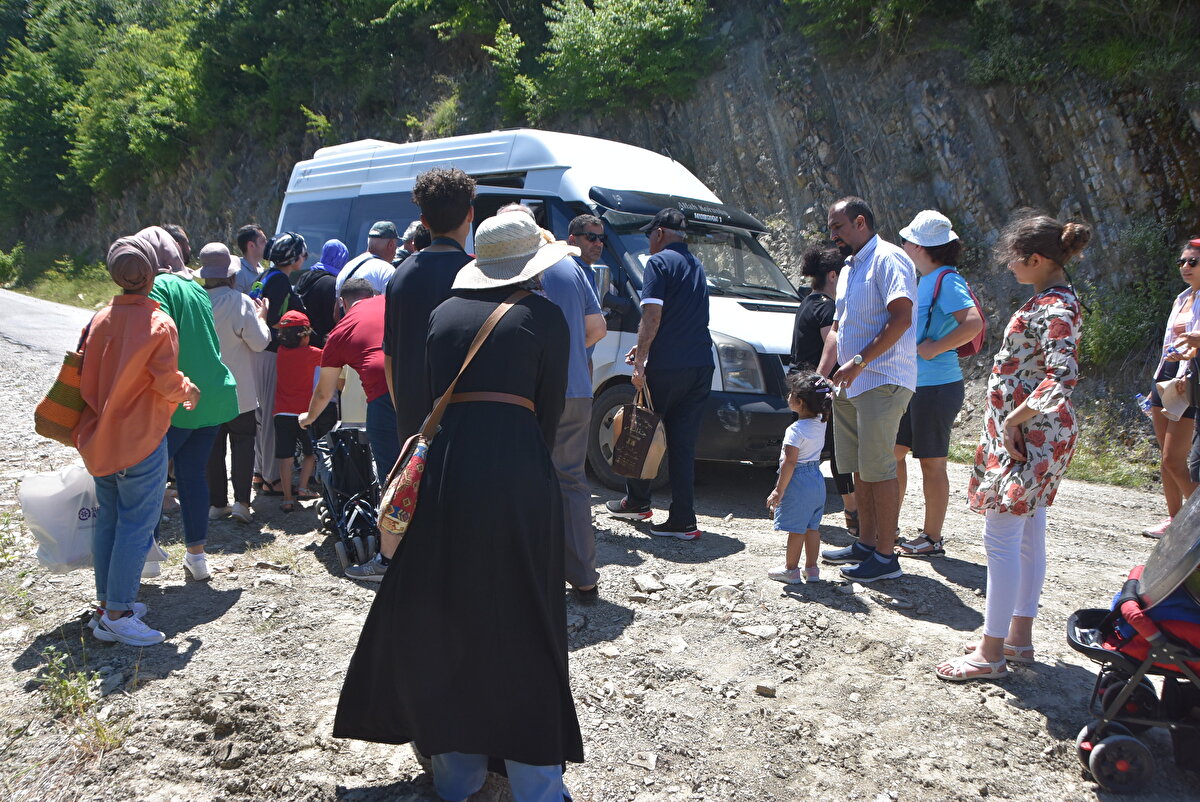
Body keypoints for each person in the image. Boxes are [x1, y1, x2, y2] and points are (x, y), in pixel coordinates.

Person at [334, 210, 581, 801]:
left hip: (445, 477)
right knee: (525, 621)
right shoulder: (544, 318)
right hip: (519, 479)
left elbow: (420, 402)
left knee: (448, 615)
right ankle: (535, 782)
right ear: (530, 269)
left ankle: (459, 772)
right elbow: (546, 418)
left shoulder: (443, 315)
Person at [936, 212, 1090, 681]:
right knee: (1026, 536)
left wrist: (1016, 419)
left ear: (1038, 259)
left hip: (1030, 439)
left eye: (1015, 260)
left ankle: (991, 652)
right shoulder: (1053, 300)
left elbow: (1062, 375)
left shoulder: (1054, 308)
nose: (1010, 267)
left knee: (1002, 539)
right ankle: (1016, 638)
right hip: (1034, 436)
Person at [76, 237, 199, 645]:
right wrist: (189, 391)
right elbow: (167, 383)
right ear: (151, 275)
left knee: (109, 520)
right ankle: (119, 612)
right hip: (141, 439)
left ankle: (106, 605)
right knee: (135, 524)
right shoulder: (159, 323)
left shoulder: (99, 318)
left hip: (100, 439)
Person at [817, 197, 916, 583]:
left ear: (860, 222)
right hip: (850, 383)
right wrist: (822, 376)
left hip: (881, 379)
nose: (833, 235)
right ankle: (866, 545)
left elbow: (902, 317)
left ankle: (886, 558)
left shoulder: (889, 259)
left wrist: (859, 362)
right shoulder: (848, 269)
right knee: (859, 467)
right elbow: (838, 330)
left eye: (838, 227)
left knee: (878, 468)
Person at [605, 208, 713, 540]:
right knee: (682, 443)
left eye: (650, 234)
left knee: (640, 428)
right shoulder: (696, 266)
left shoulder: (659, 263)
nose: (649, 240)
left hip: (668, 366)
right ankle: (684, 519)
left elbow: (652, 314)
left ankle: (638, 501)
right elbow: (679, 318)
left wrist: (640, 364)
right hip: (700, 364)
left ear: (661, 233)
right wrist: (644, 348)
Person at [140, 226, 239, 583]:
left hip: (179, 400)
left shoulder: (159, 288)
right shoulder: (196, 288)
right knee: (192, 475)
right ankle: (197, 558)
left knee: (149, 480)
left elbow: (157, 337)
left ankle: (148, 558)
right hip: (211, 397)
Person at [893, 211, 984, 557]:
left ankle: (932, 539)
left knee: (931, 462)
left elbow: (972, 322)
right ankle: (892, 524)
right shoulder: (929, 279)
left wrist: (933, 348)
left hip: (937, 386)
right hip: (916, 384)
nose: (902, 245)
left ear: (918, 247)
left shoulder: (947, 280)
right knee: (894, 453)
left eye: (906, 241)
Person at [384, 168, 476, 438]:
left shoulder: (399, 276)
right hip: (463, 423)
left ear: (424, 221)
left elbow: (389, 358)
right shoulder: (476, 275)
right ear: (470, 214)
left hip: (412, 428)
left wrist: (405, 411)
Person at [540, 236, 606, 600]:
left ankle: (533, 573)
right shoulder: (572, 267)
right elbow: (597, 329)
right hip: (577, 389)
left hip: (534, 393)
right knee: (572, 482)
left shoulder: (516, 268)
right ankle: (584, 578)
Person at [299, 277, 398, 499]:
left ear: (342, 303)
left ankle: (395, 528)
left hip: (382, 395)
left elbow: (325, 392)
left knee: (392, 478)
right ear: (372, 295)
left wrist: (308, 418)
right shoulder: (389, 302)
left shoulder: (339, 333)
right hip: (419, 386)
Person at [199, 243, 270, 525]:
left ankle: (217, 502)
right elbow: (260, 342)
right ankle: (242, 502)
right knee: (243, 444)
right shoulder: (239, 302)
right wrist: (262, 318)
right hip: (240, 389)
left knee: (212, 448)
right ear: (230, 275)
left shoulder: (196, 301)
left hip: (206, 390)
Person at [793, 246, 858, 536]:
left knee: (804, 451)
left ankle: (795, 506)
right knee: (839, 454)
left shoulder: (808, 302)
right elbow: (832, 346)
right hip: (817, 391)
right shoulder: (826, 307)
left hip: (802, 386)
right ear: (833, 276)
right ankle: (853, 513)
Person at [1142, 238, 1200, 538]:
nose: (1185, 267)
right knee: (1165, 460)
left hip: (1188, 381)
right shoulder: (1181, 298)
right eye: (1182, 262)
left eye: (1193, 262)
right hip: (1165, 374)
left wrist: (1187, 361)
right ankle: (1175, 521)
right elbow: (1170, 342)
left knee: (1173, 460)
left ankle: (1196, 520)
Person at [251, 231, 308, 497]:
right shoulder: (280, 282)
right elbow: (273, 319)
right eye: (302, 253)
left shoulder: (263, 276)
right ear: (293, 257)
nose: (304, 257)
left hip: (256, 352)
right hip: (270, 353)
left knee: (261, 416)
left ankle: (260, 471)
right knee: (272, 415)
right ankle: (272, 478)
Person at [766, 371, 832, 584]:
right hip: (816, 479)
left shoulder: (795, 430)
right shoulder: (821, 421)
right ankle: (812, 569)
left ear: (800, 402)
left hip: (799, 481)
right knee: (812, 528)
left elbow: (789, 462)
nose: (788, 396)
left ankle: (791, 570)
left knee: (796, 530)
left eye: (792, 393)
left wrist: (779, 489)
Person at [273, 310, 330, 513]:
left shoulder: (280, 351)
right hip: (305, 414)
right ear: (304, 335)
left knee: (285, 458)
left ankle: (288, 498)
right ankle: (304, 487)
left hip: (281, 413)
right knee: (310, 453)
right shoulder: (315, 354)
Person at [295, 238, 349, 346]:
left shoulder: (305, 276)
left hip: (298, 340)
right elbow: (335, 318)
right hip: (318, 346)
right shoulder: (334, 284)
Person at [336, 221, 398, 296]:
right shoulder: (387, 271)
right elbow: (390, 306)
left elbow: (337, 306)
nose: (396, 250)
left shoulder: (347, 268)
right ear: (391, 245)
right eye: (396, 245)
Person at [567, 213, 607, 296]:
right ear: (572, 240)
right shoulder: (568, 273)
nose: (598, 243)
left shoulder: (588, 271)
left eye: (601, 238)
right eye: (591, 237)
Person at [235, 224, 267, 295]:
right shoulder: (239, 273)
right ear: (251, 245)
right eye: (263, 241)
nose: (267, 244)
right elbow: (235, 303)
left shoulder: (262, 270)